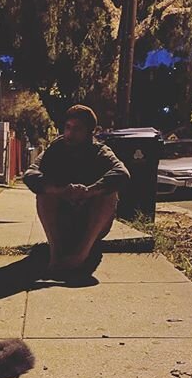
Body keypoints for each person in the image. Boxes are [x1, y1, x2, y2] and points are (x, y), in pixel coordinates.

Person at [23, 105, 129, 276]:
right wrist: (59, 190)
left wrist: (90, 191)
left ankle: (81, 255)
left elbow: (122, 173)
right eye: (68, 127)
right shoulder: (56, 149)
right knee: (44, 193)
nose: (70, 134)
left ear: (89, 132)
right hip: (63, 222)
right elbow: (30, 174)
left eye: (77, 129)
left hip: (91, 225)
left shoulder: (101, 152)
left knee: (109, 194)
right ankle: (55, 255)